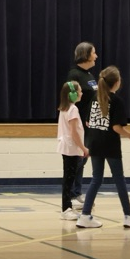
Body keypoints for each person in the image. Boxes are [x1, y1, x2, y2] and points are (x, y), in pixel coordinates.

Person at [76, 66, 130, 229]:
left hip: (94, 142)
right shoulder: (116, 101)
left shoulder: (93, 98)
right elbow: (116, 127)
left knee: (96, 179)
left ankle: (84, 216)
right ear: (117, 82)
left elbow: (87, 122)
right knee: (119, 179)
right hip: (110, 145)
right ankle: (128, 215)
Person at [66, 42, 98, 208]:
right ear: (85, 55)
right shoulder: (74, 75)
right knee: (77, 159)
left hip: (90, 123)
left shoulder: (90, 76)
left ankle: (77, 193)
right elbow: (70, 99)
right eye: (94, 53)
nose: (96, 56)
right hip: (79, 123)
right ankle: (71, 195)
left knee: (83, 158)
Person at [57, 81, 89, 221]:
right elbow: (74, 132)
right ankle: (66, 208)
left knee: (68, 178)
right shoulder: (73, 109)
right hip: (72, 148)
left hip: (68, 147)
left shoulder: (65, 108)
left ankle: (67, 206)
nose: (82, 93)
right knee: (69, 179)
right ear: (73, 94)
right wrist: (83, 148)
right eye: (80, 91)